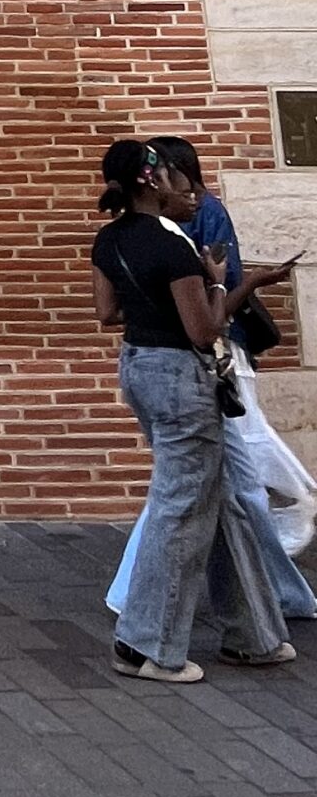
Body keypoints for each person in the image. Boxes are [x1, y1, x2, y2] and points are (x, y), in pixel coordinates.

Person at [90, 137, 294, 682]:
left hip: (139, 368)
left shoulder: (109, 241)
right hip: (182, 378)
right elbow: (205, 331)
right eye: (186, 183)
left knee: (219, 496)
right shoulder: (173, 247)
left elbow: (107, 311)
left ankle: (255, 635)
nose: (195, 194)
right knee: (181, 508)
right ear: (153, 182)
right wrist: (234, 281)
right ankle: (145, 645)